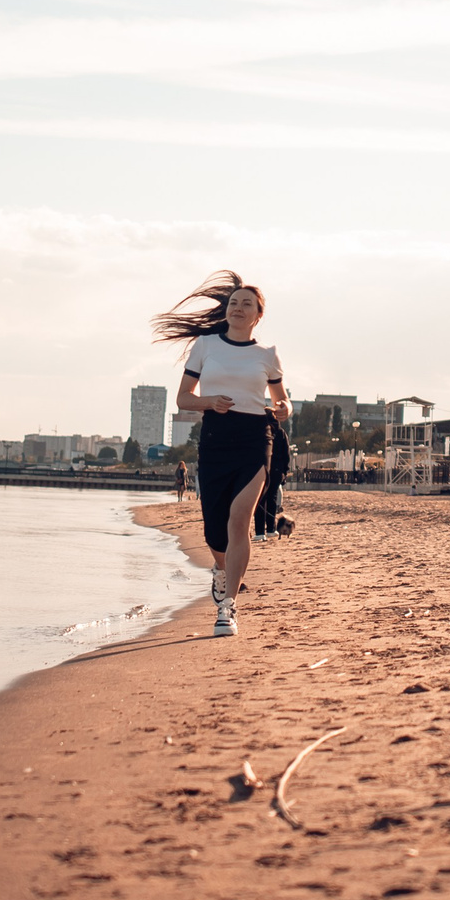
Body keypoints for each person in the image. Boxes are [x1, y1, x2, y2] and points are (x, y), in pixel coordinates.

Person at [153, 270, 289, 637]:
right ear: (226, 310)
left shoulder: (267, 354)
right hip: (215, 437)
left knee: (239, 518)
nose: (239, 308)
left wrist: (283, 410)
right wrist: (209, 401)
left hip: (254, 437)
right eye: (234, 302)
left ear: (258, 314)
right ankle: (220, 568)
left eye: (247, 304)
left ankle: (227, 607)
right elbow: (183, 398)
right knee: (215, 530)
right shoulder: (206, 346)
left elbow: (282, 401)